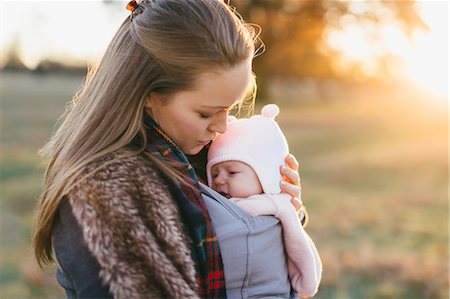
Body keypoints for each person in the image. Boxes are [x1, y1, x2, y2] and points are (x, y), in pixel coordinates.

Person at [32, 0, 305, 298]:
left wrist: (277, 213)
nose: (222, 127)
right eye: (205, 113)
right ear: (148, 94)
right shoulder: (102, 192)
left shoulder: (208, 154)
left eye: (230, 108)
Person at [206, 104, 322, 298]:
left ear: (264, 175)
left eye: (232, 172)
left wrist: (306, 281)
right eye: (215, 173)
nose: (219, 180)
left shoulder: (277, 205)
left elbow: (298, 243)